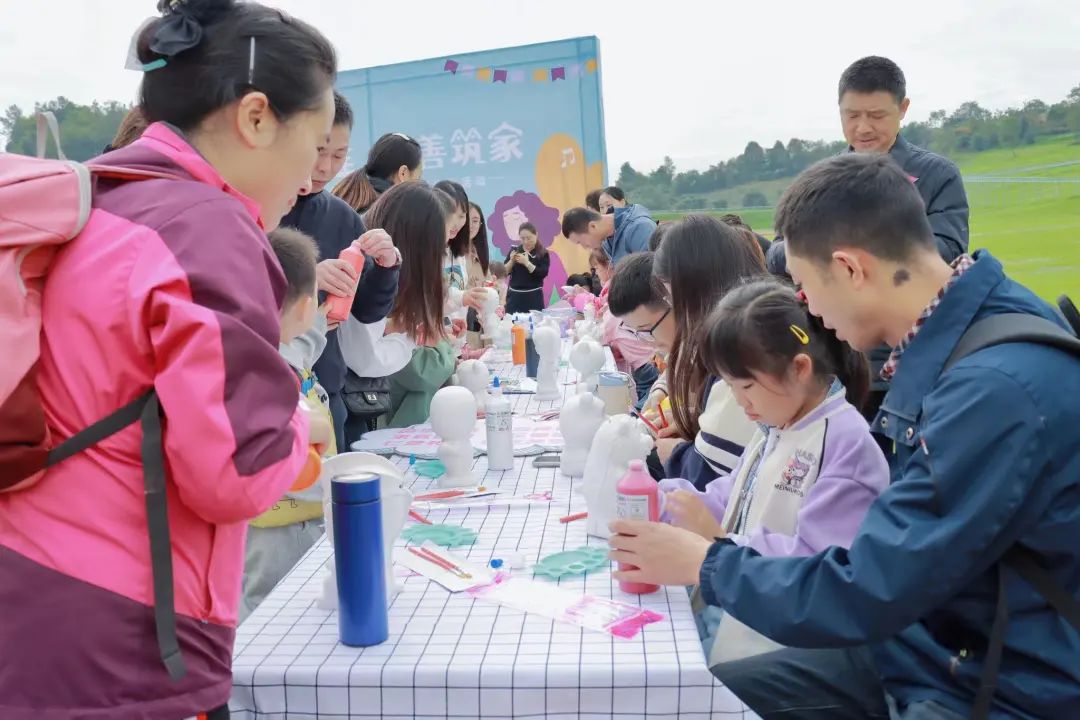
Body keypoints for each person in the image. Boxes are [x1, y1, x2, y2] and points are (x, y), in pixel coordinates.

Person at [609, 153, 1080, 720]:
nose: (807, 313)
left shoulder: (992, 389)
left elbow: (871, 586)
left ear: (850, 268)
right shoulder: (964, 337)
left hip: (992, 685)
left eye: (805, 288)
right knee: (700, 694)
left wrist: (706, 562)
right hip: (925, 648)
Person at [0, 2, 336, 717]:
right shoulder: (206, 229)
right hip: (115, 629)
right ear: (255, 118)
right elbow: (235, 474)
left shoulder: (100, 203)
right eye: (312, 150)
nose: (311, 180)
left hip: (31, 586)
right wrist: (298, 421)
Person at [659, 279, 887, 667]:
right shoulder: (777, 425)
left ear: (800, 368)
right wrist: (662, 499)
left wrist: (717, 540)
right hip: (738, 617)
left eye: (746, 384)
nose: (739, 401)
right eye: (729, 385)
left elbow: (819, 567)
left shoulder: (844, 442)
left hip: (785, 655)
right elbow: (730, 497)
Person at [281, 92, 402, 450]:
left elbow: (366, 310)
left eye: (339, 155)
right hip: (269, 395)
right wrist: (308, 280)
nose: (326, 168)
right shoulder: (255, 208)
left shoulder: (342, 217)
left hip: (324, 391)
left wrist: (386, 267)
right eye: (320, 151)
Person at [242, 228, 334, 622]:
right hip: (278, 525)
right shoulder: (267, 369)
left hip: (286, 519)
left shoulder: (250, 352)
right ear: (304, 307)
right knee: (271, 614)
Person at [651, 215, 766, 488]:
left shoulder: (738, 339)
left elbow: (710, 474)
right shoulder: (748, 316)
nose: (675, 307)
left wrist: (675, 455)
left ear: (694, 285)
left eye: (671, 295)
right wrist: (695, 421)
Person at [335, 181, 451, 441]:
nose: (439, 260)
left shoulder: (379, 268)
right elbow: (366, 359)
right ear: (418, 246)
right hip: (348, 417)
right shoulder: (373, 270)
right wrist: (408, 337)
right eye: (438, 250)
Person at [594, 249, 659, 406]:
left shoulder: (612, 316)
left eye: (597, 268)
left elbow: (599, 339)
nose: (595, 273)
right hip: (649, 363)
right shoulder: (617, 313)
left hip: (645, 365)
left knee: (646, 400)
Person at [332, 131, 423, 213]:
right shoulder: (395, 214)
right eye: (418, 177)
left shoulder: (347, 201)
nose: (420, 185)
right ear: (403, 174)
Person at [561, 202, 656, 266]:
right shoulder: (607, 240)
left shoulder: (640, 228)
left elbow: (653, 275)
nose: (584, 247)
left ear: (592, 226)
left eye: (580, 242)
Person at [504, 222, 551, 314]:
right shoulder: (515, 250)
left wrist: (526, 262)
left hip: (533, 298)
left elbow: (542, 273)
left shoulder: (542, 253)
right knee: (513, 326)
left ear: (536, 235)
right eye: (522, 238)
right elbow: (504, 272)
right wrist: (512, 261)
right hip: (514, 298)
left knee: (534, 325)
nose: (526, 241)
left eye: (529, 238)